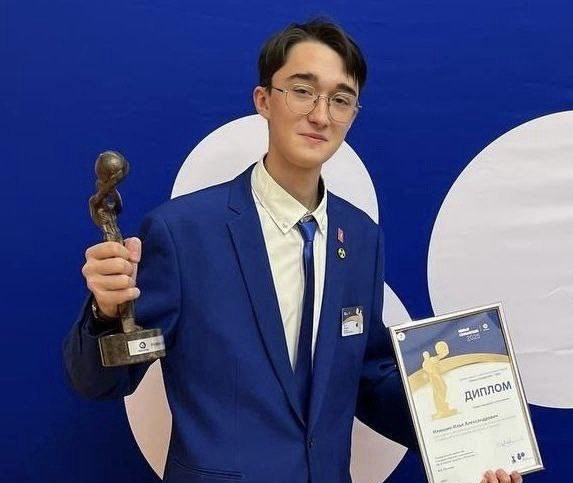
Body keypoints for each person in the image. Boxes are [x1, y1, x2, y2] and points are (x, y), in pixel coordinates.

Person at [63, 18, 522, 483]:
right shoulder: (182, 232)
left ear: (353, 114)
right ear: (263, 100)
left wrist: (475, 444)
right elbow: (101, 381)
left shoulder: (360, 238)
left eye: (340, 99)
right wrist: (106, 312)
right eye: (303, 91)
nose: (321, 115)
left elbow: (366, 376)